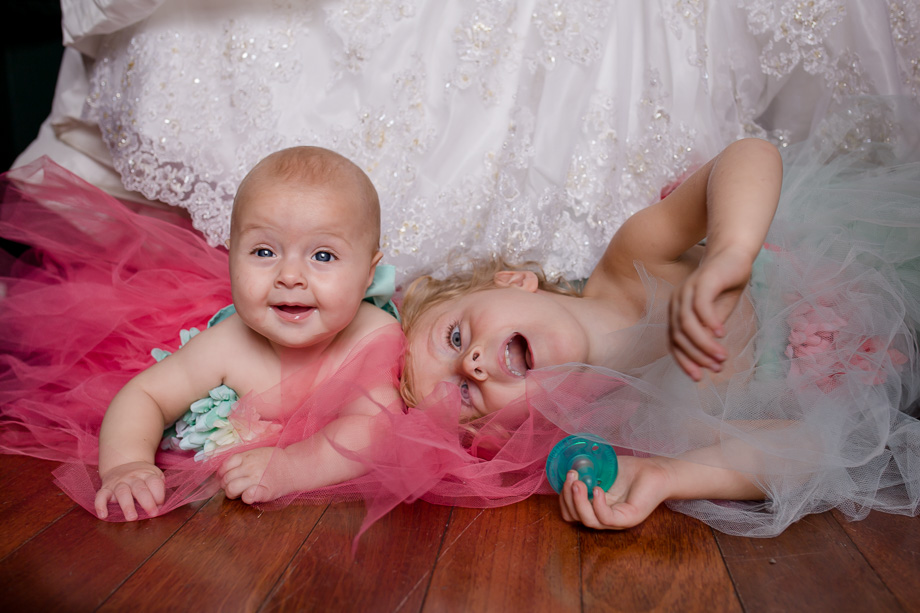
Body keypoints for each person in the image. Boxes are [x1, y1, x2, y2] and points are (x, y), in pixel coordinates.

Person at [395, 107, 920, 537]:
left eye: (456, 337)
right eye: (462, 392)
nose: (474, 362)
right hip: (887, 395)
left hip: (876, 270)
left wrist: (732, 252)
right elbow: (815, 450)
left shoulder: (631, 263)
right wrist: (669, 475)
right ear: (508, 433)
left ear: (509, 281)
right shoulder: (632, 430)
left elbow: (748, 156)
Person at [0, 146, 405, 523]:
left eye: (323, 255)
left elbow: (374, 427)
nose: (290, 276)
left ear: (369, 272)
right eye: (264, 251)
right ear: (231, 255)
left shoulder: (374, 336)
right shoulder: (228, 343)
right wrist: (128, 464)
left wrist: (292, 467)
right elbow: (145, 395)